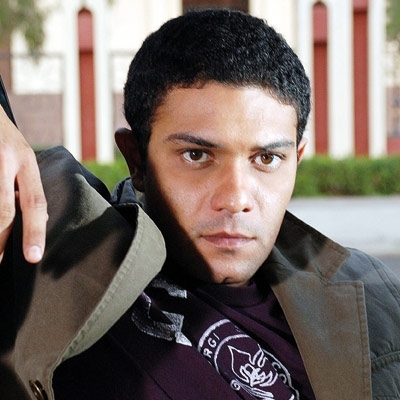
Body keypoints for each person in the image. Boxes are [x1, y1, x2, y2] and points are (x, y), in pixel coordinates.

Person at [1, 8, 399, 400]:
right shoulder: (62, 263)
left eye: (266, 159)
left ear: (296, 160)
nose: (236, 199)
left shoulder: (372, 296)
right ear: (136, 159)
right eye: (197, 155)